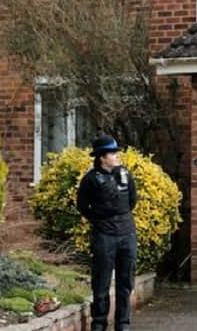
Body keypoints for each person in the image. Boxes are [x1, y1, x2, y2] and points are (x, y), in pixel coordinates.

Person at [77, 134, 138, 331]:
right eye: (112, 153)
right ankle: (99, 323)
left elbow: (132, 201)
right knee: (101, 282)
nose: (116, 156)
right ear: (102, 157)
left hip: (127, 234)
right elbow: (82, 205)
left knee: (125, 282)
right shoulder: (91, 179)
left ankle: (122, 324)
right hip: (104, 236)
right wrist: (100, 221)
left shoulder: (125, 174)